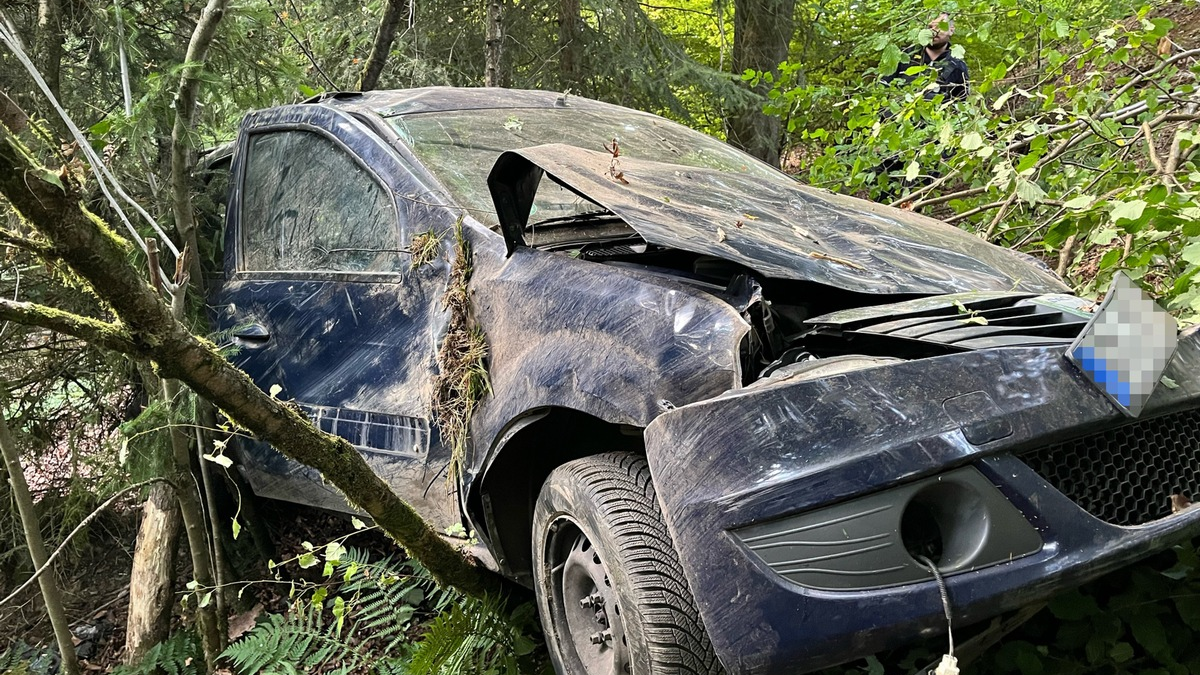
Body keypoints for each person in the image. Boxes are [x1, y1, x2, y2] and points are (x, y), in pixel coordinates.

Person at [885, 13, 969, 101]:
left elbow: (960, 103)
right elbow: (883, 89)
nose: (933, 31)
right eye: (929, 27)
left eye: (939, 26)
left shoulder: (957, 65)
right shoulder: (902, 56)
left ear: (951, 30)